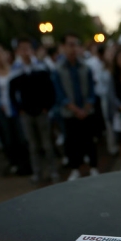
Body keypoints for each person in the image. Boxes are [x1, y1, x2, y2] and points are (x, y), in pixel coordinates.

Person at [9, 37, 58, 183]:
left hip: (41, 112)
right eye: (22, 49)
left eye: (28, 48)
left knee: (47, 144)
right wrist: (20, 110)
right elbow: (12, 93)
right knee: (33, 145)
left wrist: (46, 107)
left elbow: (50, 89)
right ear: (18, 51)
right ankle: (37, 173)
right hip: (27, 114)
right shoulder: (16, 71)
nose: (26, 52)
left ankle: (53, 171)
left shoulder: (41, 68)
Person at [52, 32, 98, 181]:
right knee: (72, 142)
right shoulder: (59, 69)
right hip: (69, 113)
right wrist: (74, 109)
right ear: (64, 47)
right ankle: (75, 168)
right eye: (70, 44)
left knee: (89, 140)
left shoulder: (85, 67)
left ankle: (93, 166)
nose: (74, 48)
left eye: (76, 44)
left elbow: (91, 89)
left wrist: (86, 108)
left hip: (86, 111)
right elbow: (60, 94)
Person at [0, 43, 29, 175]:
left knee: (21, 135)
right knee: (8, 136)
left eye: (0, 53)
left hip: (16, 108)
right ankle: (14, 163)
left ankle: (25, 163)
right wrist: (0, 103)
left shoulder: (14, 69)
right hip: (2, 109)